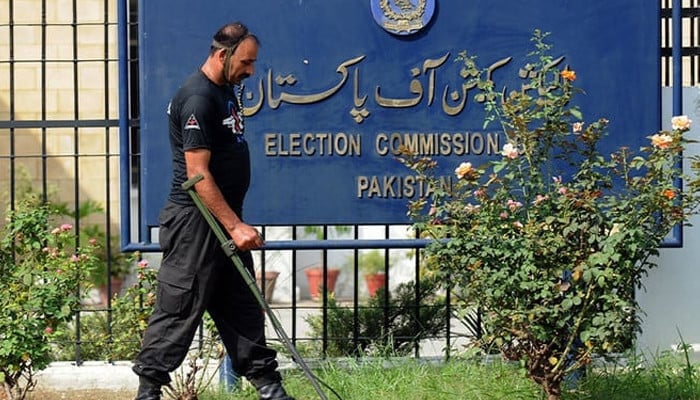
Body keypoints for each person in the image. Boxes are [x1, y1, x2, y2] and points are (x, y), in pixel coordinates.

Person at [132, 22, 295, 400]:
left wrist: (233, 222)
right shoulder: (198, 97)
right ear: (223, 55)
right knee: (179, 306)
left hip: (222, 219)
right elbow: (197, 174)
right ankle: (148, 392)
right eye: (246, 62)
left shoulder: (225, 91)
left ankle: (271, 389)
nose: (251, 71)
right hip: (196, 222)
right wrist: (235, 225)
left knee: (243, 308)